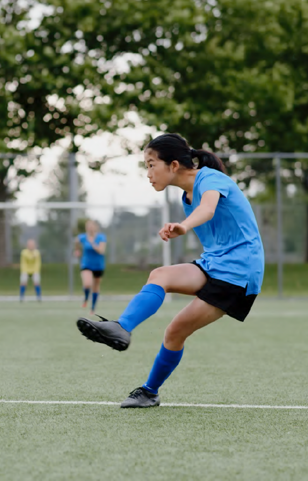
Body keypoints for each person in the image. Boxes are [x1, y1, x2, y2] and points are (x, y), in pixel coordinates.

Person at [76, 133, 264, 408]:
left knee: (175, 331)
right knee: (159, 276)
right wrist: (185, 223)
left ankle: (149, 391)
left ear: (173, 165)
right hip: (214, 264)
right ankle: (121, 328)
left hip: (239, 272)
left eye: (151, 164)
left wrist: (184, 226)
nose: (148, 173)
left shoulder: (210, 179)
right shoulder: (187, 197)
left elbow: (209, 208)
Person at [74, 220, 107, 314]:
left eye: (92, 226)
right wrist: (77, 250)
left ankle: (92, 308)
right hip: (86, 264)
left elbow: (101, 251)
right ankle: (85, 298)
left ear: (95, 227)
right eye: (88, 226)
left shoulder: (101, 237)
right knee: (87, 284)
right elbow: (76, 241)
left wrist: (92, 243)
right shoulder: (82, 237)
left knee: (96, 286)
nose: (90, 228)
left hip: (98, 265)